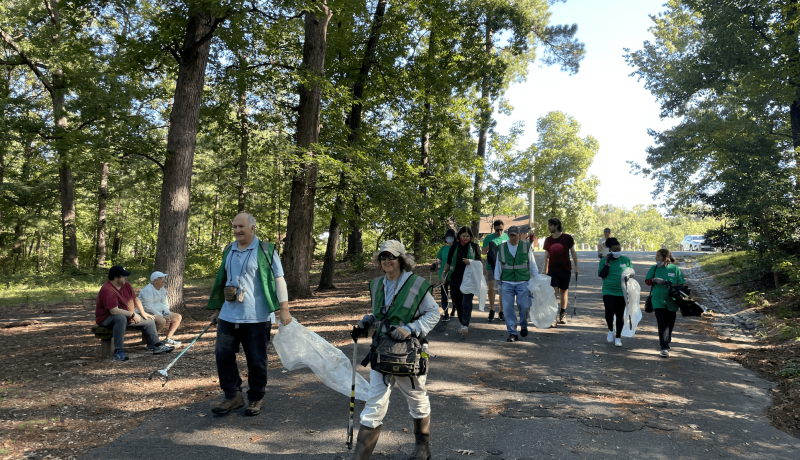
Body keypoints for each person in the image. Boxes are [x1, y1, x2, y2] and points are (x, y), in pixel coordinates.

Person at [350, 240, 440, 460]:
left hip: (408, 353)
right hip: (381, 351)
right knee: (374, 401)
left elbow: (434, 313)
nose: (387, 260)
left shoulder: (416, 285)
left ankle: (423, 449)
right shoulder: (377, 284)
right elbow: (378, 315)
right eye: (383, 256)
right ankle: (360, 456)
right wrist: (365, 323)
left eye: (391, 256)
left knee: (416, 397)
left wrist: (411, 328)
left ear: (402, 260)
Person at [206, 212, 292, 416]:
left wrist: (284, 309)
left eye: (241, 227)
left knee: (256, 359)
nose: (237, 231)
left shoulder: (266, 250)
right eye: (234, 227)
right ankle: (232, 396)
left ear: (253, 227)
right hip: (229, 314)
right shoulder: (229, 249)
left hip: (257, 316)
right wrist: (218, 309)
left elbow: (279, 279)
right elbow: (224, 280)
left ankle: (256, 398)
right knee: (223, 355)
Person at [95, 265, 174, 361]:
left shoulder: (126, 285)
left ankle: (156, 345)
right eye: (124, 276)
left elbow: (136, 299)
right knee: (120, 318)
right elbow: (114, 311)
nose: (126, 278)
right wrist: (132, 314)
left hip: (127, 316)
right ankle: (119, 351)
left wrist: (143, 313)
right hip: (107, 319)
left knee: (149, 320)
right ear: (116, 278)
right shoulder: (107, 290)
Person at [495, 226, 539, 342]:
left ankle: (524, 324)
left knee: (525, 306)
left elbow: (532, 264)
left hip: (523, 282)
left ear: (519, 235)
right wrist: (497, 282)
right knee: (508, 308)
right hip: (507, 282)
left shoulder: (526, 246)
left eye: (515, 235)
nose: (513, 238)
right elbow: (498, 266)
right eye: (511, 235)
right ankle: (512, 332)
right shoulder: (502, 247)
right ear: (508, 235)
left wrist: (537, 278)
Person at [441, 226, 482, 339]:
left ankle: (465, 325)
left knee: (466, 303)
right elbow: (448, 263)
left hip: (469, 280)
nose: (465, 238)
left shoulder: (474, 247)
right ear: (459, 236)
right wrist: (443, 275)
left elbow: (479, 264)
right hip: (455, 280)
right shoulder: (454, 247)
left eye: (467, 236)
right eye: (463, 236)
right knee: (458, 303)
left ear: (470, 237)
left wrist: (471, 262)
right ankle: (462, 322)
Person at [645, 249, 685, 358]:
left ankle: (666, 340)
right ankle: (664, 347)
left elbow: (681, 283)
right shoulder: (654, 268)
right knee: (661, 323)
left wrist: (673, 286)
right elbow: (647, 281)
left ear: (665, 258)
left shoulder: (675, 269)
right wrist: (654, 280)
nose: (656, 258)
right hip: (657, 299)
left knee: (669, 324)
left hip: (672, 301)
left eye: (658, 256)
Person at [597, 238, 634, 347]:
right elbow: (602, 275)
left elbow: (631, 272)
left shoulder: (626, 260)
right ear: (610, 250)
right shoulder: (604, 260)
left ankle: (618, 337)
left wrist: (629, 275)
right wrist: (607, 262)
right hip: (608, 290)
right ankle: (610, 329)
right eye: (615, 249)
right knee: (609, 311)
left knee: (619, 314)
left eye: (619, 249)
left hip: (622, 291)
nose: (617, 251)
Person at [543, 217, 579, 326]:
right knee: (554, 293)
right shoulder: (548, 240)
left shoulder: (567, 238)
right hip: (553, 270)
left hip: (565, 269)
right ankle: (553, 317)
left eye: (550, 225)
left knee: (564, 292)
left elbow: (573, 252)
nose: (548, 227)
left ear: (556, 225)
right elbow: (546, 256)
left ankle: (563, 313)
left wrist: (576, 266)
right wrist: (546, 270)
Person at [138, 271, 183, 346]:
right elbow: (148, 307)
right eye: (161, 278)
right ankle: (152, 342)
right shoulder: (147, 290)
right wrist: (161, 316)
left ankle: (168, 339)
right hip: (145, 313)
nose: (164, 280)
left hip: (158, 312)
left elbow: (165, 303)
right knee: (161, 320)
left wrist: (166, 314)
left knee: (177, 317)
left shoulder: (162, 289)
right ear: (155, 281)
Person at [481, 219, 508, 322]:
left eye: (501, 230)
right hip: (492, 266)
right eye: (497, 230)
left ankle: (501, 311)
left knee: (502, 289)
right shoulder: (488, 238)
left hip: (504, 266)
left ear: (504, 228)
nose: (499, 232)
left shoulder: (506, 237)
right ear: (494, 229)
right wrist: (491, 245)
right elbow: (483, 252)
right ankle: (492, 309)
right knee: (492, 288)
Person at [435, 229, 456, 320]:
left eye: (451, 237)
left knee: (454, 294)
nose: (449, 238)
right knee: (444, 294)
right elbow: (439, 260)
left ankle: (454, 309)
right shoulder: (442, 248)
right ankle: (445, 313)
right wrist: (435, 264)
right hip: (443, 274)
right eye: (448, 237)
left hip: (453, 274)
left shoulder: (456, 248)